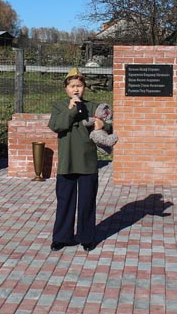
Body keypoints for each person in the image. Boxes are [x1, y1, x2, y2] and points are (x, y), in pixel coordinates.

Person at [48, 67, 108, 252]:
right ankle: (61, 237)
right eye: (72, 86)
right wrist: (72, 109)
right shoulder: (59, 107)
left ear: (85, 88)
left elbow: (108, 125)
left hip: (88, 162)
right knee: (65, 201)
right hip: (67, 163)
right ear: (66, 88)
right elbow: (57, 126)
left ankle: (87, 237)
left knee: (86, 202)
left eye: (80, 86)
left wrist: (103, 124)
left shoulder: (92, 107)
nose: (76, 89)